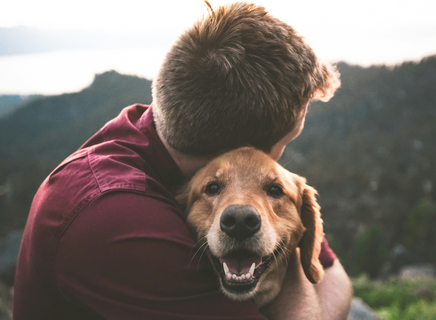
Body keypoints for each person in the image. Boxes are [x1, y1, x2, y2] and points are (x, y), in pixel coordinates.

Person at [13, 2, 352, 319]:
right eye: (287, 141)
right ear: (242, 150)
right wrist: (292, 273)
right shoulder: (117, 220)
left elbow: (335, 277)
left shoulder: (159, 131)